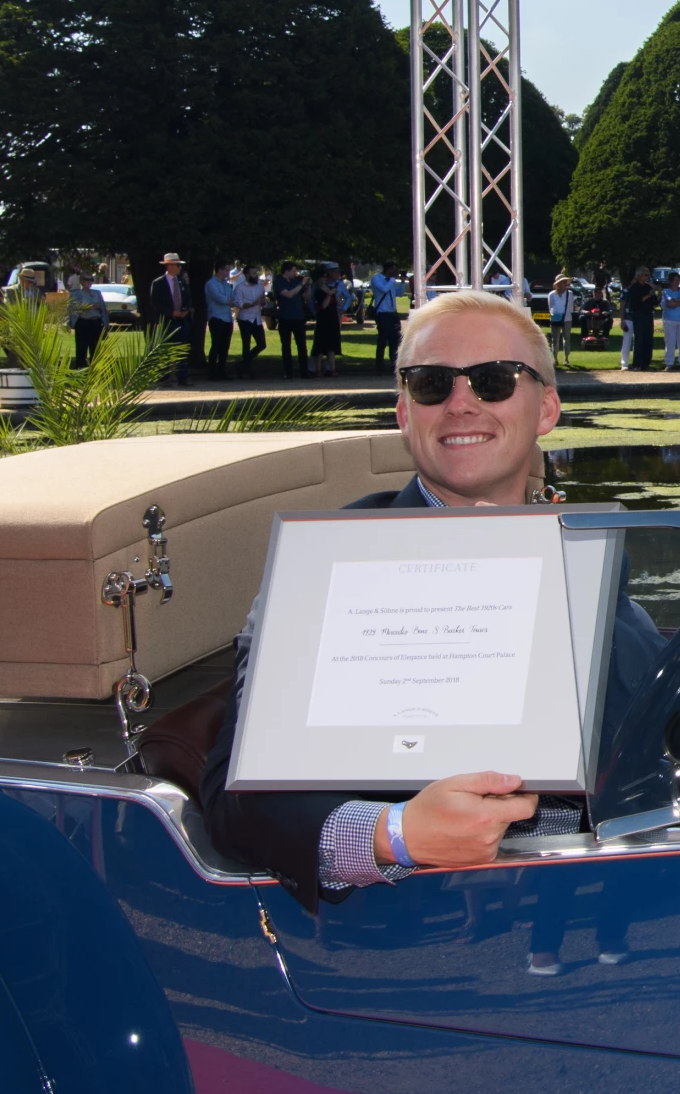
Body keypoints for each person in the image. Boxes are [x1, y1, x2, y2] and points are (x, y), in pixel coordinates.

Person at [199, 289, 565, 910]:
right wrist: (393, 834)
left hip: (616, 898)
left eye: (494, 380)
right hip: (431, 928)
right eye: (430, 383)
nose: (460, 403)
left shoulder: (592, 555)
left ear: (547, 409)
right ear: (403, 411)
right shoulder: (327, 569)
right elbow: (237, 797)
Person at [149, 252, 199, 384]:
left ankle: (183, 377)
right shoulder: (158, 283)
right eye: (177, 265)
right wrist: (171, 312)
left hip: (182, 321)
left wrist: (185, 310)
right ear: (169, 266)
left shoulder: (182, 282)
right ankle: (165, 378)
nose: (179, 268)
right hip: (166, 321)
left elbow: (188, 298)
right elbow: (155, 303)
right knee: (166, 350)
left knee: (182, 348)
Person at [271, 264, 310, 377]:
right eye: (293, 271)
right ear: (286, 271)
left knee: (302, 345)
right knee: (286, 345)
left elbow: (306, 296)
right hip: (285, 317)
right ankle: (288, 372)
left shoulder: (296, 282)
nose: (295, 273)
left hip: (299, 317)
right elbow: (288, 294)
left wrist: (308, 286)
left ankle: (304, 371)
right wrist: (301, 284)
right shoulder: (279, 282)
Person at [64, 275, 108, 368]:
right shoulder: (76, 294)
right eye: (86, 279)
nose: (88, 281)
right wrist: (89, 307)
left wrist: (105, 325)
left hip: (95, 322)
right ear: (81, 281)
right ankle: (81, 367)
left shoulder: (97, 293)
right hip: (83, 323)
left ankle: (95, 368)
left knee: (95, 348)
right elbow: (73, 309)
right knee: (81, 348)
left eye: (90, 279)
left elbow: (103, 308)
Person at [204, 263, 238, 379]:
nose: (228, 272)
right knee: (216, 345)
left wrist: (229, 300)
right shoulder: (211, 284)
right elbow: (219, 298)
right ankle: (212, 372)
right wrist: (229, 300)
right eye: (226, 270)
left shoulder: (227, 285)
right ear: (219, 270)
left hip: (228, 318)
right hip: (216, 317)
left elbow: (233, 298)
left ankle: (222, 371)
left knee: (225, 346)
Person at [619, 267, 654, 371]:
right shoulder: (631, 289)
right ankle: (631, 363)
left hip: (646, 314)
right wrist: (622, 320)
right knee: (633, 340)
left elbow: (653, 301)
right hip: (634, 316)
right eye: (645, 275)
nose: (647, 277)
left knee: (647, 339)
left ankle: (645, 363)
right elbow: (632, 303)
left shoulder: (648, 287)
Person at [658, 274, 680, 371]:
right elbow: (669, 304)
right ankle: (669, 363)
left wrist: (677, 301)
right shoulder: (666, 292)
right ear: (670, 281)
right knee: (670, 342)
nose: (677, 282)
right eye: (675, 280)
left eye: (678, 280)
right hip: (669, 319)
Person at [368, 266, 403, 367]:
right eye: (395, 271)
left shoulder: (391, 282)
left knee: (394, 340)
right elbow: (384, 289)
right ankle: (379, 365)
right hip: (382, 314)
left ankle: (394, 364)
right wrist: (392, 279)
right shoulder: (377, 279)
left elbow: (399, 293)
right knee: (382, 340)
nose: (397, 273)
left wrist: (402, 282)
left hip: (393, 314)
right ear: (389, 270)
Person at [235, 266, 268, 375]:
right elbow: (239, 305)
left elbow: (263, 301)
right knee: (246, 344)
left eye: (256, 273)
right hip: (245, 319)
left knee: (262, 344)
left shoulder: (260, 287)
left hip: (257, 319)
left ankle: (242, 363)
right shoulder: (240, 288)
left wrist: (263, 302)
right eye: (253, 273)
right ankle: (247, 369)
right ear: (247, 275)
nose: (256, 275)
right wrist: (254, 303)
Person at [545, 271, 577, 370]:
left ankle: (566, 358)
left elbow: (571, 308)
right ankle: (555, 359)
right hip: (555, 319)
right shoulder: (551, 294)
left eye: (564, 282)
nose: (563, 284)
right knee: (555, 339)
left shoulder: (569, 294)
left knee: (566, 339)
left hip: (567, 319)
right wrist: (555, 315)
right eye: (561, 282)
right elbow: (550, 307)